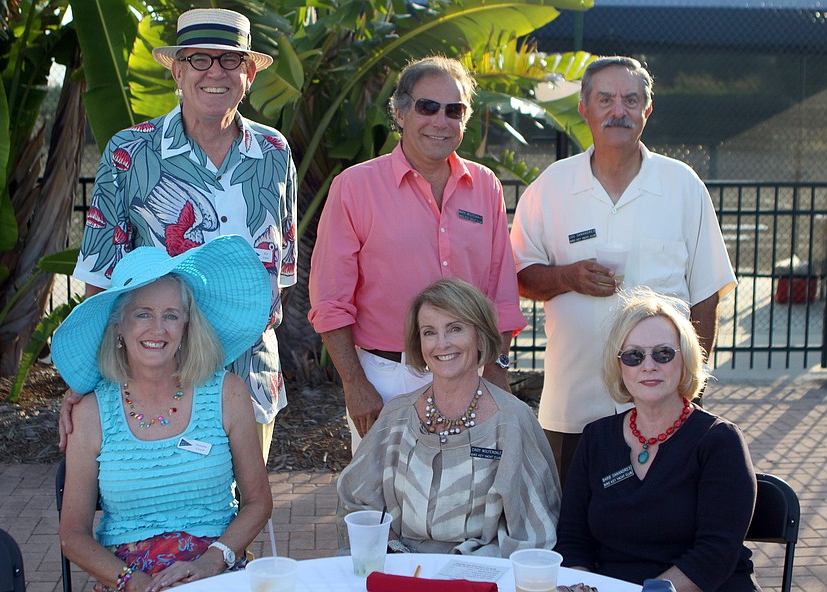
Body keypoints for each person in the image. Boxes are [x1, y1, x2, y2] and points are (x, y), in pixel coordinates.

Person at [62, 8, 298, 462]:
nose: (215, 72)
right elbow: (100, 276)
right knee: (162, 513)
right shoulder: (130, 151)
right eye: (199, 60)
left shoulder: (273, 152)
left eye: (230, 61)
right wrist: (87, 381)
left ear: (248, 73)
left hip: (250, 376)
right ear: (177, 70)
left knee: (239, 518)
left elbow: (280, 268)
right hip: (155, 377)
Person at [510, 55, 737, 484]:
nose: (619, 111)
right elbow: (518, 275)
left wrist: (692, 389)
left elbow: (706, 295)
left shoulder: (682, 186)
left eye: (631, 100)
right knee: (570, 535)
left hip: (663, 409)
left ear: (647, 110)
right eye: (606, 99)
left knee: (662, 527)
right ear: (584, 108)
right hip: (574, 407)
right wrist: (567, 277)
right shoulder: (551, 187)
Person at [309, 56, 527, 452]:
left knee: (467, 501)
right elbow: (329, 300)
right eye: (428, 107)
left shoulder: (485, 186)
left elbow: (501, 291)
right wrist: (356, 384)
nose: (440, 121)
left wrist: (496, 368)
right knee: (383, 505)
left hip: (468, 375)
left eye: (454, 110)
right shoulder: (355, 186)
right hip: (387, 378)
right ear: (401, 112)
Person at [54, 235, 274, 592]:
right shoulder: (92, 413)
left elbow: (259, 502)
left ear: (187, 326)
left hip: (213, 573)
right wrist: (132, 581)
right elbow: (73, 535)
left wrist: (211, 561)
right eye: (143, 314)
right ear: (119, 327)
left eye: (171, 315)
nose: (158, 330)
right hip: (128, 579)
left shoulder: (227, 393)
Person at [336, 278, 560, 557]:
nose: (441, 344)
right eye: (429, 332)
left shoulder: (512, 421)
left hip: (483, 571)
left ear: (480, 336)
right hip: (399, 567)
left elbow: (533, 531)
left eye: (455, 329)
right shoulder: (397, 416)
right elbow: (356, 502)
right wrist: (394, 551)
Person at [555, 289, 759, 590]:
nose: (648, 366)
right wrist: (581, 585)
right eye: (634, 356)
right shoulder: (596, 438)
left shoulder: (719, 441)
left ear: (685, 358)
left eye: (663, 353)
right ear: (620, 365)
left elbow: (715, 554)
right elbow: (573, 538)